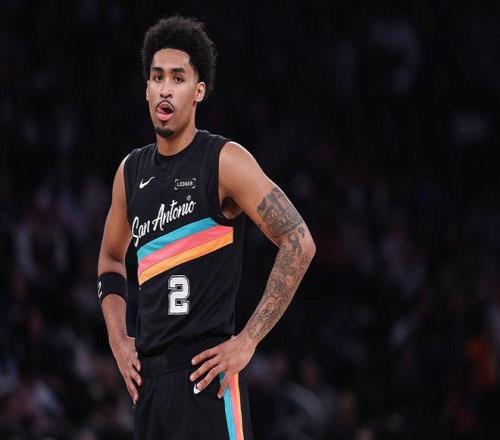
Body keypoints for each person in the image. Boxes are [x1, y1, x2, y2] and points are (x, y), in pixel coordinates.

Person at [97, 15, 316, 439]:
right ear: (146, 88)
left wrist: (248, 340)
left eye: (178, 78)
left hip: (208, 375)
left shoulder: (223, 161)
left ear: (198, 91)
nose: (165, 88)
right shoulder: (130, 172)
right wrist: (118, 341)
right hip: (149, 383)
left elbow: (299, 241)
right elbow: (109, 258)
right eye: (157, 77)